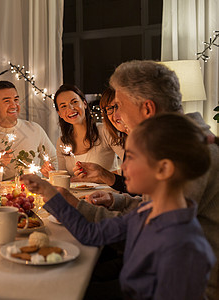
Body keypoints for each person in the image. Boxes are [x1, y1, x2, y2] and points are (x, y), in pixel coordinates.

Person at [65, 60, 219, 299]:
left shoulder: (187, 154)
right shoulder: (167, 145)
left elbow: (147, 227)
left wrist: (76, 208)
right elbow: (149, 209)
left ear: (147, 109)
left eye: (119, 105)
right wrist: (115, 201)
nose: (116, 115)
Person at [21, 113, 216, 300]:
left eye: (131, 157)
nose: (122, 167)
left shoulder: (184, 248)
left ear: (164, 168)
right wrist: (49, 193)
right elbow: (92, 234)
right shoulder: (147, 211)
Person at [0, 80, 57, 180]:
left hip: (35, 191)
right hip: (2, 193)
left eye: (16, 100)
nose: (14, 105)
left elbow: (54, 159)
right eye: (7, 101)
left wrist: (51, 171)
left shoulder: (35, 129)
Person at [46, 84, 122, 178]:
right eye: (63, 106)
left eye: (74, 102)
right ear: (59, 114)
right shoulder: (62, 142)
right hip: (76, 193)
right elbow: (66, 178)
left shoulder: (105, 131)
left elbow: (130, 166)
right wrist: (53, 174)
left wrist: (100, 176)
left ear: (84, 104)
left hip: (107, 192)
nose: (70, 108)